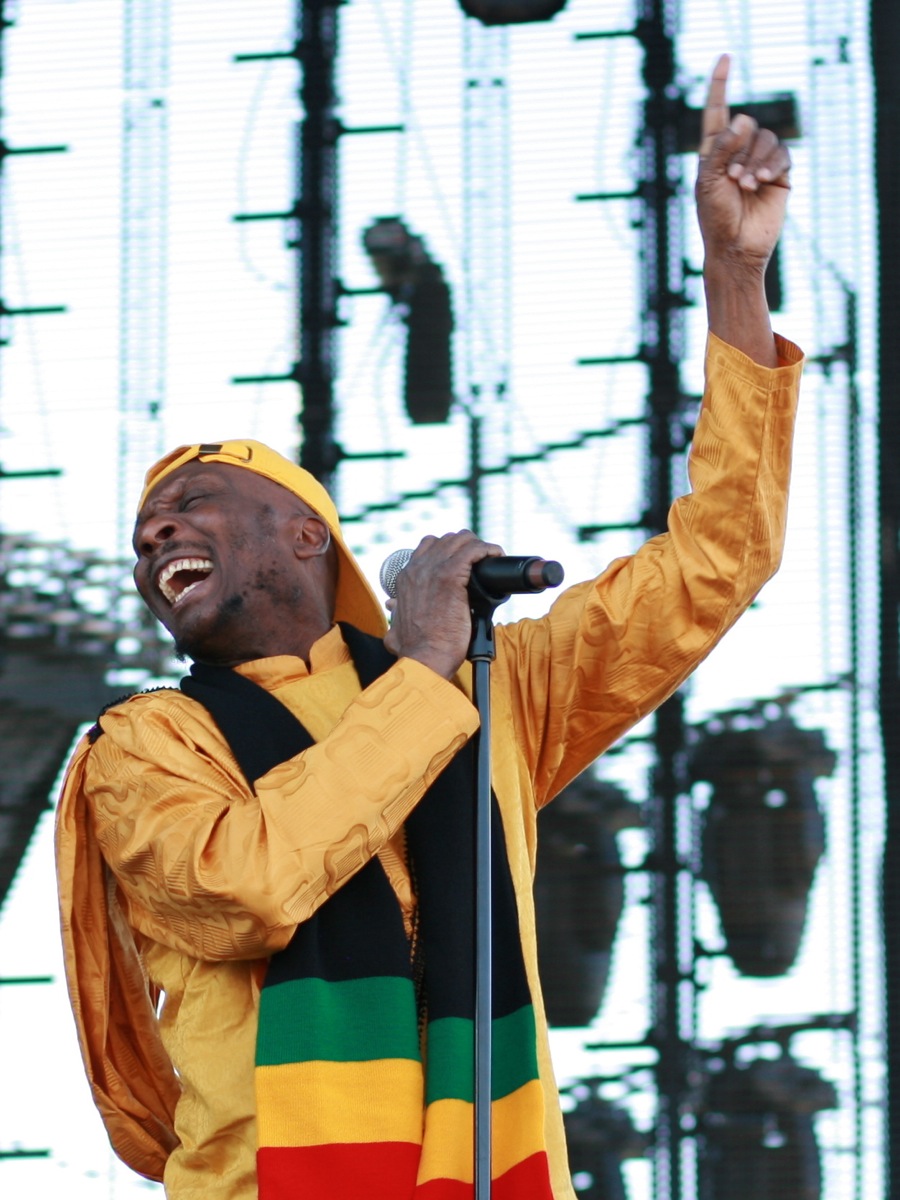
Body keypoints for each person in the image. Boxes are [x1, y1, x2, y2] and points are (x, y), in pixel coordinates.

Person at [55, 55, 803, 1200]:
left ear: (309, 538)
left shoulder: (489, 689)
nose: (157, 536)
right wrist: (418, 669)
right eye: (146, 530)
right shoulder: (147, 745)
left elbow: (718, 562)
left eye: (192, 506)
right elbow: (250, 883)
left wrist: (737, 277)